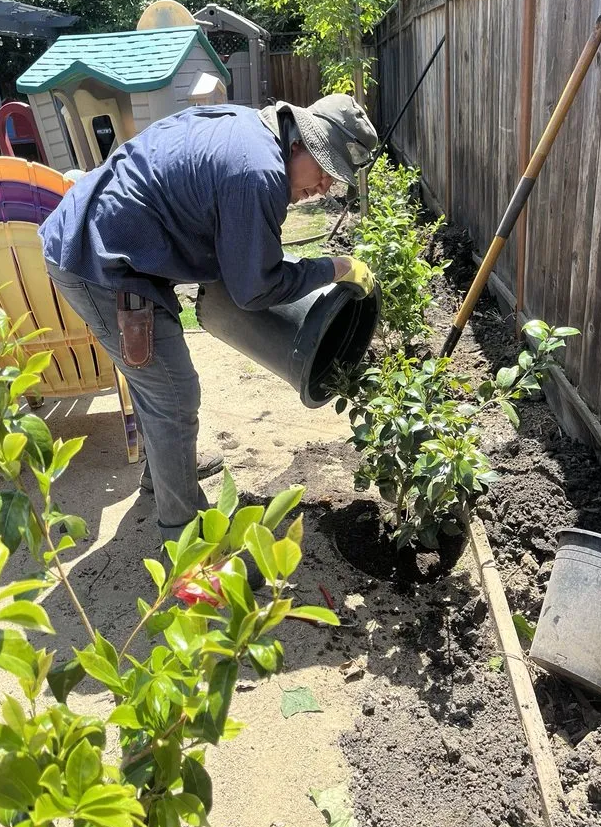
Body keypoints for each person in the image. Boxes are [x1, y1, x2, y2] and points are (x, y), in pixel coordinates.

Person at [39, 94, 377, 544]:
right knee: (173, 395)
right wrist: (332, 268)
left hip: (121, 243)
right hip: (99, 259)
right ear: (302, 144)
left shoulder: (253, 130)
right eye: (325, 171)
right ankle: (187, 543)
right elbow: (256, 288)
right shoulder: (259, 174)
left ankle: (161, 480)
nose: (325, 188)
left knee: (158, 387)